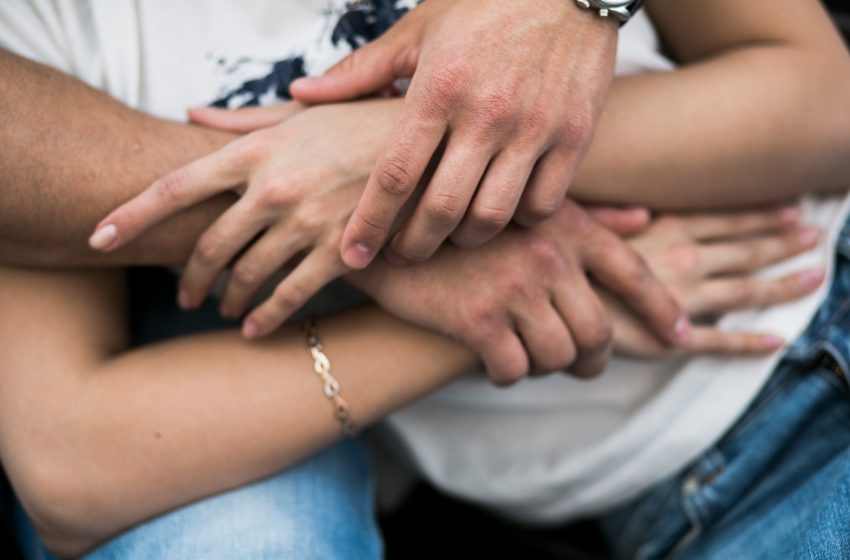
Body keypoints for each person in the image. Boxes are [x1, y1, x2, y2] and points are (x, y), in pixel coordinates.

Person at [0, 1, 848, 560]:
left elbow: (830, 105)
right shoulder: (44, 38)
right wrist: (459, 300)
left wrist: (394, 158)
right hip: (695, 509)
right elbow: (72, 461)